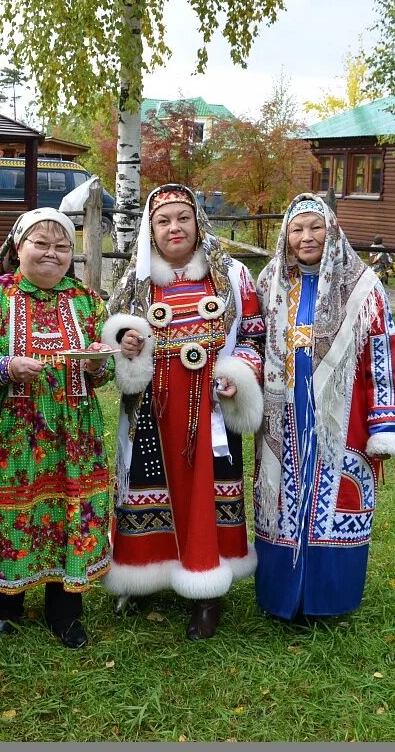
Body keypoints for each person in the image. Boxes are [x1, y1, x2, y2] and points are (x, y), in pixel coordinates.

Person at [101, 183, 265, 640]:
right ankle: (144, 574)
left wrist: (238, 374)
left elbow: (253, 336)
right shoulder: (137, 281)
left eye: (182, 218)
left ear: (198, 223)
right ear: (150, 231)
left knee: (205, 496)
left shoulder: (231, 276)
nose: (174, 227)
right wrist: (125, 344)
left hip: (210, 410)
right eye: (162, 220)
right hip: (152, 411)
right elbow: (108, 338)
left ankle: (207, 592)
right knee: (145, 488)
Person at [0, 208, 115, 649]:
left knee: (73, 511)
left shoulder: (87, 301)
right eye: (40, 244)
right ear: (18, 246)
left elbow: (102, 374)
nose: (51, 254)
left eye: (62, 246)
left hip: (76, 436)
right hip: (11, 436)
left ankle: (65, 612)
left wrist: (103, 359)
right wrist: (5, 366)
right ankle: (5, 606)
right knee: (12, 511)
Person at [253, 193, 395, 622]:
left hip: (343, 418)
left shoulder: (362, 287)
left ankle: (328, 600)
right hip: (282, 415)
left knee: (336, 499)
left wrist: (384, 423)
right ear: (286, 235)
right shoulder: (269, 285)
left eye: (315, 227)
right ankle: (280, 596)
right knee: (279, 502)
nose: (306, 237)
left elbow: (383, 355)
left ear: (332, 231)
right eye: (297, 229)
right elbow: (249, 340)